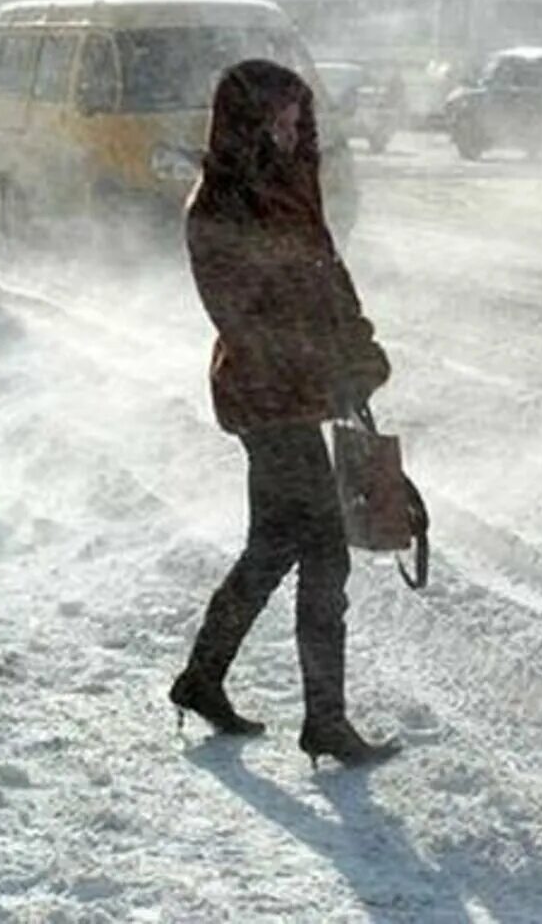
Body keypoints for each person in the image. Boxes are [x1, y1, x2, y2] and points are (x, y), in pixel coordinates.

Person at [171, 59, 397, 768]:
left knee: (273, 544)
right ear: (249, 122)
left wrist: (359, 350)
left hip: (306, 389)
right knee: (324, 548)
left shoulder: (293, 184)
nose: (297, 127)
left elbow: (330, 274)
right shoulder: (218, 205)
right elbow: (243, 316)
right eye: (283, 115)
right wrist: (316, 363)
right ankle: (324, 719)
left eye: (301, 115)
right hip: (265, 396)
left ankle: (203, 676)